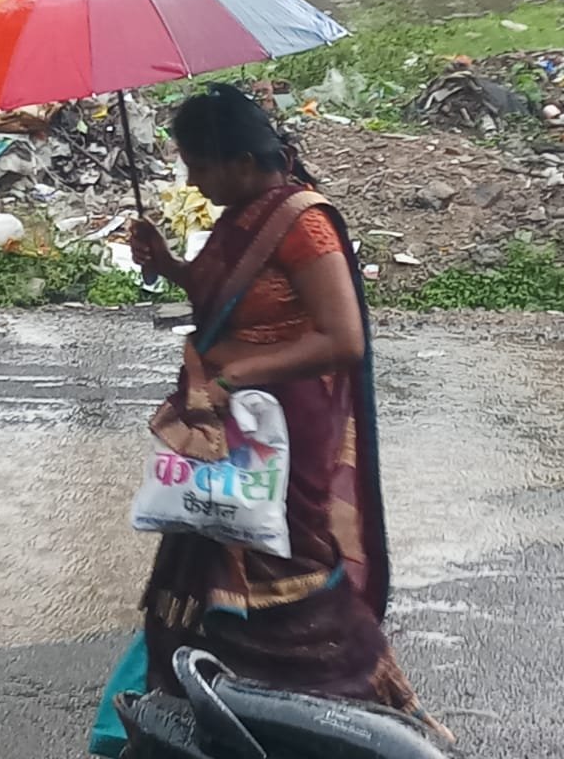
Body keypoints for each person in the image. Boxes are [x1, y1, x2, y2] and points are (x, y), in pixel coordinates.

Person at [121, 83, 451, 741]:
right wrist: (169, 265)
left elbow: (343, 339)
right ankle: (221, 712)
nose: (191, 180)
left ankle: (368, 715)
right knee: (207, 557)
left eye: (198, 165)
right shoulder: (242, 213)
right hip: (227, 422)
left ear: (242, 161)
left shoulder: (302, 223)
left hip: (282, 431)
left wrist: (235, 374)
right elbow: (227, 298)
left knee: (286, 568)